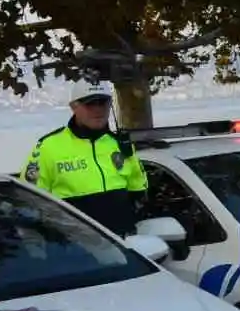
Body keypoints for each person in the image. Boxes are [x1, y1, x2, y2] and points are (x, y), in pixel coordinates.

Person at [20, 80, 147, 234]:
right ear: (74, 106)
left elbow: (138, 189)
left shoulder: (120, 144)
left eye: (103, 103)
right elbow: (28, 199)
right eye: (90, 104)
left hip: (121, 243)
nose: (98, 110)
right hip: (74, 246)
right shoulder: (48, 147)